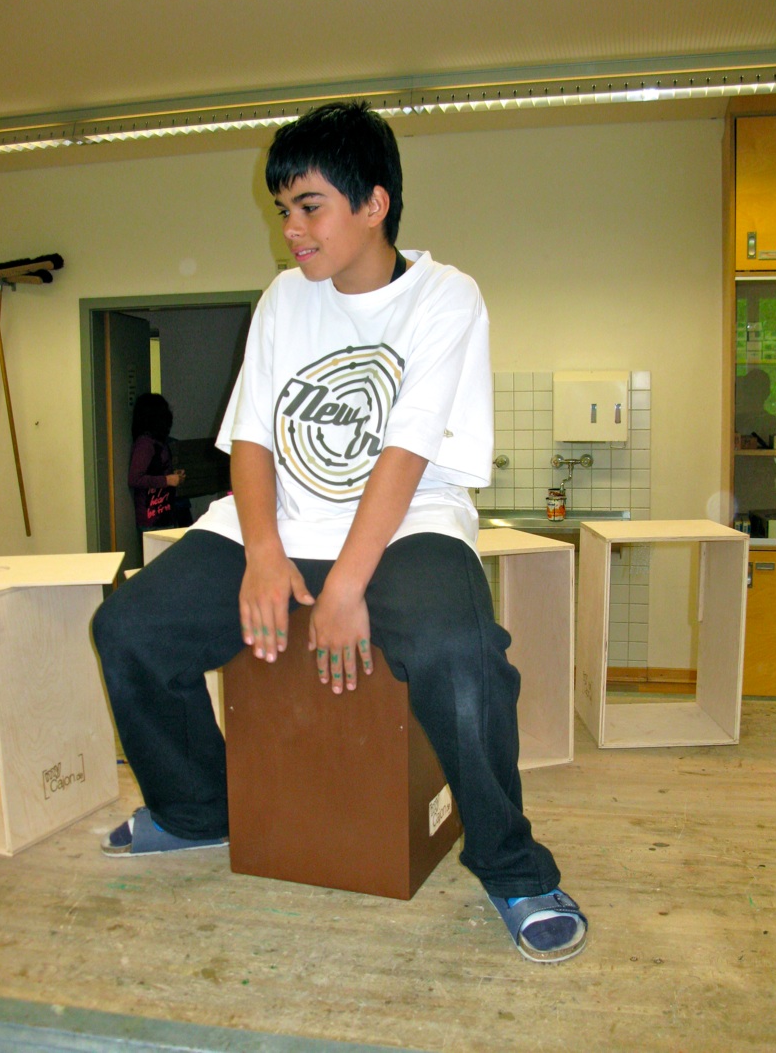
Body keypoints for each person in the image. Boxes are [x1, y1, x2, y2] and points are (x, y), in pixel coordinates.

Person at [92, 101, 587, 964]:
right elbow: (251, 439)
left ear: (374, 203)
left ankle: (512, 865)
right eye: (283, 208)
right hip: (283, 519)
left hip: (411, 520)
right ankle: (198, 807)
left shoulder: (445, 295)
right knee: (128, 628)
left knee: (459, 653)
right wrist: (264, 552)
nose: (291, 229)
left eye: (309, 207)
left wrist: (348, 584)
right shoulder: (285, 298)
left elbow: (406, 452)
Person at [128, 393, 186, 531]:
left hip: (163, 514)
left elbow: (155, 470)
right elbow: (135, 479)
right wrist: (167, 480)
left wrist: (173, 476)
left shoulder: (158, 441)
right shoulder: (145, 444)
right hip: (152, 519)